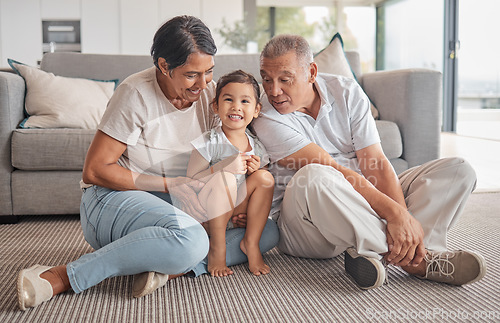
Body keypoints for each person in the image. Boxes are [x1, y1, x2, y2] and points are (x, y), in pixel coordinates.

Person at [16, 16, 278, 311]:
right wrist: (171, 184)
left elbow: (230, 145)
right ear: (164, 66)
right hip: (114, 200)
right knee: (191, 239)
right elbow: (95, 170)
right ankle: (63, 276)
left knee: (266, 232)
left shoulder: (210, 94)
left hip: (178, 201)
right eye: (192, 74)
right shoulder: (135, 94)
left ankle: (165, 265)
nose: (204, 84)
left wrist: (236, 202)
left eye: (209, 72)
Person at [251, 34, 486, 290]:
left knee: (458, 170)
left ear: (311, 72)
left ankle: (379, 249)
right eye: (266, 78)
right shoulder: (264, 115)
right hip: (306, 222)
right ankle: (419, 260)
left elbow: (374, 160)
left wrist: (402, 217)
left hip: (362, 201)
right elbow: (334, 170)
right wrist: (394, 214)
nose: (273, 91)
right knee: (314, 176)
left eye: (284, 79)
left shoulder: (345, 91)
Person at [187, 70, 274, 277]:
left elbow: (262, 190)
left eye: (245, 101)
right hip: (208, 212)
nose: (236, 106)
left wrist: (256, 171)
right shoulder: (209, 142)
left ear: (256, 110)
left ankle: (250, 243)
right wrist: (224, 167)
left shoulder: (256, 146)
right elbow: (190, 180)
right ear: (216, 106)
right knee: (225, 177)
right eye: (228, 100)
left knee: (265, 178)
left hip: (237, 212)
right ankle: (217, 247)